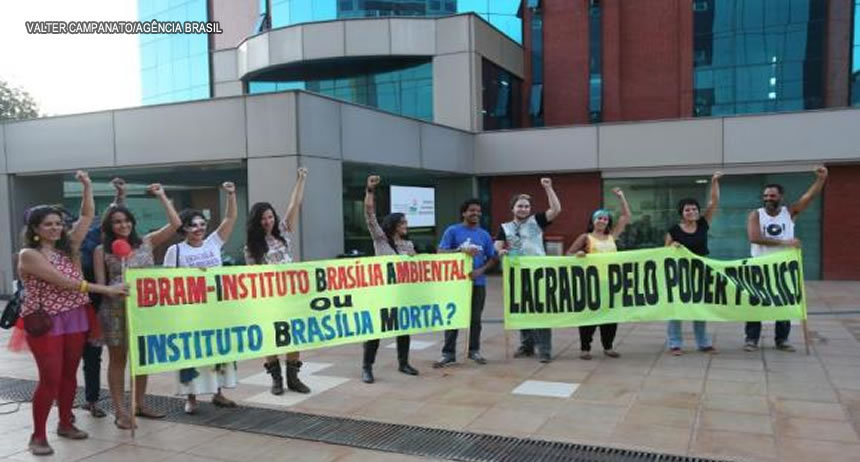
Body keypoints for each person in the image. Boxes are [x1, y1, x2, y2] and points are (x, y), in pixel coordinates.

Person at [14, 171, 128, 456]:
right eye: (48, 225)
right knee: (49, 379)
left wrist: (87, 186)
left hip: (75, 317)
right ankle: (38, 436)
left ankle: (66, 422)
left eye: (58, 224)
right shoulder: (29, 254)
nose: (55, 228)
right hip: (45, 321)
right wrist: (106, 289)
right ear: (35, 228)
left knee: (69, 376)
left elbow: (87, 216)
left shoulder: (70, 247)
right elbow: (62, 282)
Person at [94, 180, 181, 429]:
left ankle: (140, 404)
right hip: (116, 312)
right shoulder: (102, 250)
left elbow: (175, 224)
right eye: (117, 222)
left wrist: (162, 195)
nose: (123, 225)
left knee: (143, 359)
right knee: (118, 360)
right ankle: (121, 410)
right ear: (110, 226)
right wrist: (116, 291)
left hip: (145, 309)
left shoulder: (147, 242)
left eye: (126, 220)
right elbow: (102, 285)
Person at [164, 181, 239, 414]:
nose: (198, 229)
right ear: (184, 229)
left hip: (216, 309)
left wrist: (231, 195)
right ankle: (191, 397)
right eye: (192, 225)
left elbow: (230, 219)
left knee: (219, 350)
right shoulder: (175, 251)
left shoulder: (214, 243)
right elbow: (167, 283)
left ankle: (219, 393)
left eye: (201, 224)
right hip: (189, 312)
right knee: (191, 354)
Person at [744, 166, 828, 352]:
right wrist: (785, 242)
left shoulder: (788, 213)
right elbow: (754, 238)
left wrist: (821, 180)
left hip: (783, 268)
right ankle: (751, 338)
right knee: (756, 302)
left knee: (784, 302)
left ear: (780, 196)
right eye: (765, 196)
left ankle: (782, 339)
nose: (768, 199)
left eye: (772, 196)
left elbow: (808, 198)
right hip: (760, 266)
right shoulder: (756, 214)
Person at [244, 168, 311, 395]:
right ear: (256, 221)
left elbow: (294, 205)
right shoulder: (251, 247)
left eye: (270, 216)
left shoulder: (283, 230)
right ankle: (276, 379)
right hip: (269, 297)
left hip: (291, 293)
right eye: (263, 218)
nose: (267, 221)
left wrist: (301, 179)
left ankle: (294, 378)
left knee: (294, 335)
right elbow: (252, 276)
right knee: (271, 336)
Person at [494, 178, 562, 363]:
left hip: (539, 273)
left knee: (541, 311)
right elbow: (498, 243)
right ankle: (527, 346)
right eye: (519, 206)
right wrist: (500, 250)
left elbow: (556, 210)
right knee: (522, 310)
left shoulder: (537, 221)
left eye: (526, 206)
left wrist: (548, 188)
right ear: (512, 209)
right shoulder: (505, 227)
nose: (523, 209)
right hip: (517, 274)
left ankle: (545, 350)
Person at [360, 175, 420, 383]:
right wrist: (369, 191)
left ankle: (404, 363)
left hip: (401, 293)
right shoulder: (381, 240)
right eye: (402, 222)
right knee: (375, 330)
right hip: (381, 293)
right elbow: (369, 214)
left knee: (404, 328)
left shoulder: (409, 245)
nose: (406, 225)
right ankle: (367, 367)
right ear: (394, 224)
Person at [77, 178, 127, 421]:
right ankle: (71, 404)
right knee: (75, 356)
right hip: (78, 304)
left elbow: (113, 216)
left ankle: (92, 400)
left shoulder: (98, 234)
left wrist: (119, 195)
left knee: (92, 355)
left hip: (98, 302)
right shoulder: (70, 244)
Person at [566, 187, 631, 360]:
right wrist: (578, 255)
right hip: (591, 284)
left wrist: (621, 196)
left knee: (610, 317)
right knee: (589, 316)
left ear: (608, 222)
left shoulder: (612, 236)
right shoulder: (585, 238)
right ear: (593, 221)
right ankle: (585, 348)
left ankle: (608, 347)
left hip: (611, 283)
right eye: (599, 218)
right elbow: (568, 255)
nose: (602, 221)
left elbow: (626, 217)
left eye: (605, 218)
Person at [434, 199, 497, 367]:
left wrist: (480, 271)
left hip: (478, 283)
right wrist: (460, 251)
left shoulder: (484, 234)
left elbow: (492, 258)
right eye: (471, 210)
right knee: (453, 318)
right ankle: (448, 353)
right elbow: (440, 252)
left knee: (475, 319)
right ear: (464, 213)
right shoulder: (453, 231)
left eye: (478, 211)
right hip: (456, 284)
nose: (475, 214)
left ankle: (474, 350)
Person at [664, 172, 722, 356]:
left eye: (694, 209)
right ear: (681, 213)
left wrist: (714, 182)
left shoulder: (703, 224)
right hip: (680, 273)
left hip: (701, 271)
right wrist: (673, 245)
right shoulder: (674, 229)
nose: (692, 212)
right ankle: (675, 343)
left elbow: (714, 202)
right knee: (677, 308)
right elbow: (664, 251)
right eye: (688, 210)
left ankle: (703, 343)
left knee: (700, 307)